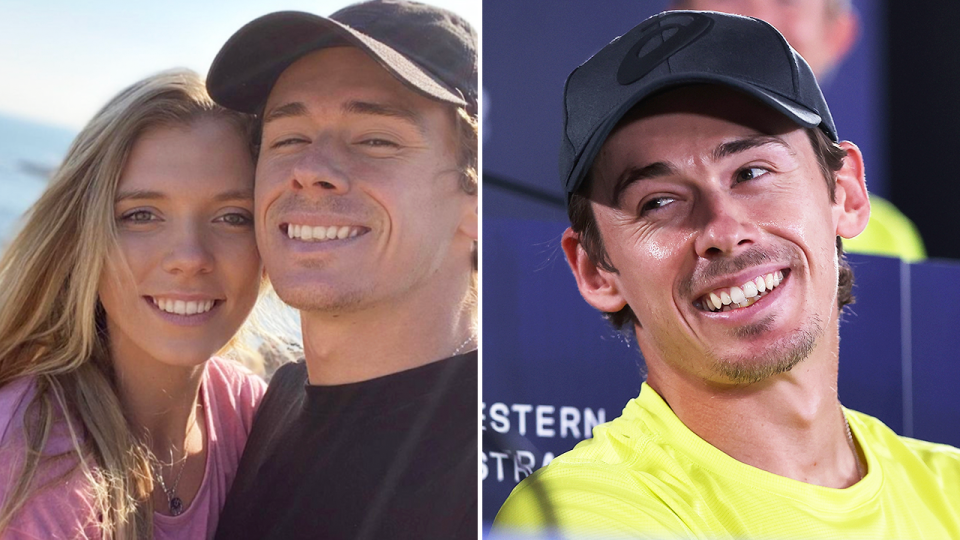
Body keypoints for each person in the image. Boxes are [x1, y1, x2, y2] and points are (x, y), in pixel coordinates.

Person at [493, 11, 960, 538]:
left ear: (846, 194)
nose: (723, 228)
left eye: (752, 172)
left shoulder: (951, 487)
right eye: (659, 201)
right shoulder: (580, 517)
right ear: (596, 270)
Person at [205, 1, 478, 539]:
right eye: (288, 139)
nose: (310, 170)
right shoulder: (280, 398)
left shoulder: (503, 478)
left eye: (375, 139)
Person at [0, 70, 270, 539]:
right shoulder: (33, 459)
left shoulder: (250, 412)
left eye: (233, 217)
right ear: (83, 237)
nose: (189, 257)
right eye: (141, 215)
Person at [670, 0, 926, 262]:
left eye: (787, 1)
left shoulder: (890, 239)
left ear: (837, 36)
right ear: (674, 23)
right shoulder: (634, 217)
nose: (759, 17)